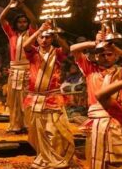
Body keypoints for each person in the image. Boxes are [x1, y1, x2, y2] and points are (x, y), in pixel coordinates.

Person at [70, 31, 122, 169]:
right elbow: (73, 49)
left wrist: (115, 48)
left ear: (115, 56)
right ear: (96, 56)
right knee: (94, 156)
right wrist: (94, 43)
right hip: (96, 120)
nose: (106, 57)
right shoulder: (90, 69)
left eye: (109, 54)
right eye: (102, 54)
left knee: (117, 158)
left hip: (116, 119)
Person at [23, 21, 74, 168]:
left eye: (48, 37)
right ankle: (43, 157)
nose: (44, 40)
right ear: (37, 38)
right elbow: (25, 45)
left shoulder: (56, 52)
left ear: (52, 39)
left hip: (52, 96)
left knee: (53, 130)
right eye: (41, 37)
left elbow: (67, 49)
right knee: (37, 132)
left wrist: (57, 36)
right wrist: (39, 30)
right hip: (35, 97)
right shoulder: (33, 52)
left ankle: (55, 158)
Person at [0, 0, 37, 133]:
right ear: (16, 24)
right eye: (20, 22)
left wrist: (23, 6)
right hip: (14, 69)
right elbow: (2, 19)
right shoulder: (11, 34)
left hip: (27, 69)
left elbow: (34, 20)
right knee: (15, 99)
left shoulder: (31, 33)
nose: (22, 24)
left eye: (24, 22)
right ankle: (17, 124)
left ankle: (28, 125)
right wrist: (10, 4)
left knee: (27, 97)